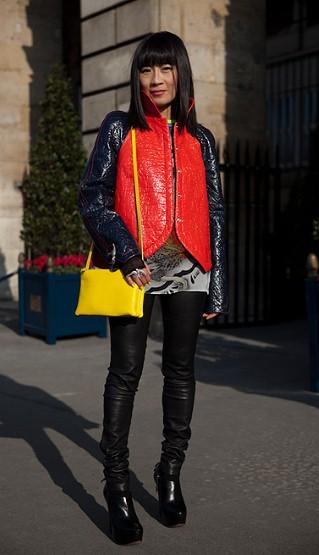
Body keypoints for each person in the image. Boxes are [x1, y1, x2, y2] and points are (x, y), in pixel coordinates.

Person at [78, 31, 228, 545]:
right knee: (126, 371)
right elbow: (92, 195)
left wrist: (217, 285)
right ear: (137, 76)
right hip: (136, 266)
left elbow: (215, 212)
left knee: (181, 369)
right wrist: (124, 251)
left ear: (181, 72)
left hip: (188, 264)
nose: (156, 79)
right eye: (146, 69)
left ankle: (169, 471)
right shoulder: (120, 128)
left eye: (165, 69)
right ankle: (116, 485)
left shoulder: (201, 138)